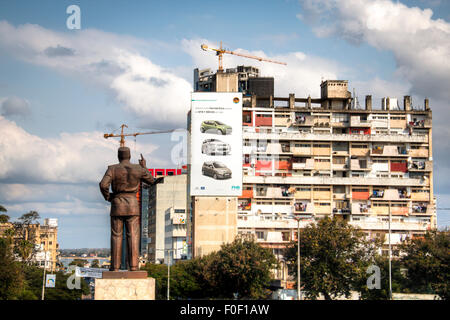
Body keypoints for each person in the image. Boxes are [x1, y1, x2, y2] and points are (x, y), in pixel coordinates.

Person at [99, 147, 163, 271]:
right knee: (133, 235)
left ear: (118, 156)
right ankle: (134, 267)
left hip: (117, 204)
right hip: (133, 205)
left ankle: (115, 267)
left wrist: (109, 197)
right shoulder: (138, 169)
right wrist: (144, 167)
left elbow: (103, 185)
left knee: (116, 236)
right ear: (129, 156)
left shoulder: (112, 169)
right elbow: (152, 181)